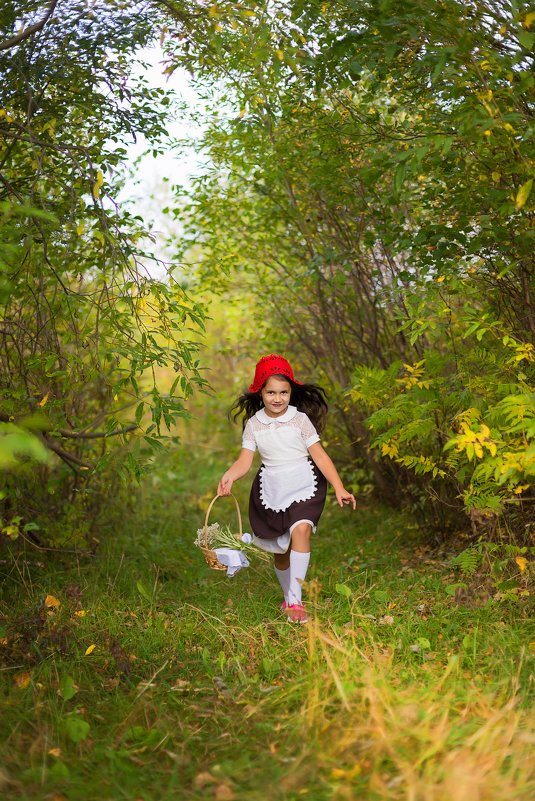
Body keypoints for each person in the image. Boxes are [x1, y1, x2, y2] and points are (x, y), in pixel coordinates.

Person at [218, 354, 356, 623]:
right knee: (281, 552)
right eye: (271, 392)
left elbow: (320, 456)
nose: (278, 398)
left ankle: (295, 601)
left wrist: (339, 487)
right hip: (272, 487)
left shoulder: (300, 420)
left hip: (305, 482)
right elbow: (245, 459)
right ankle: (288, 596)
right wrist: (230, 476)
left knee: (301, 530)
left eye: (284, 392)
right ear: (260, 391)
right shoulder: (254, 424)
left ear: (291, 391)